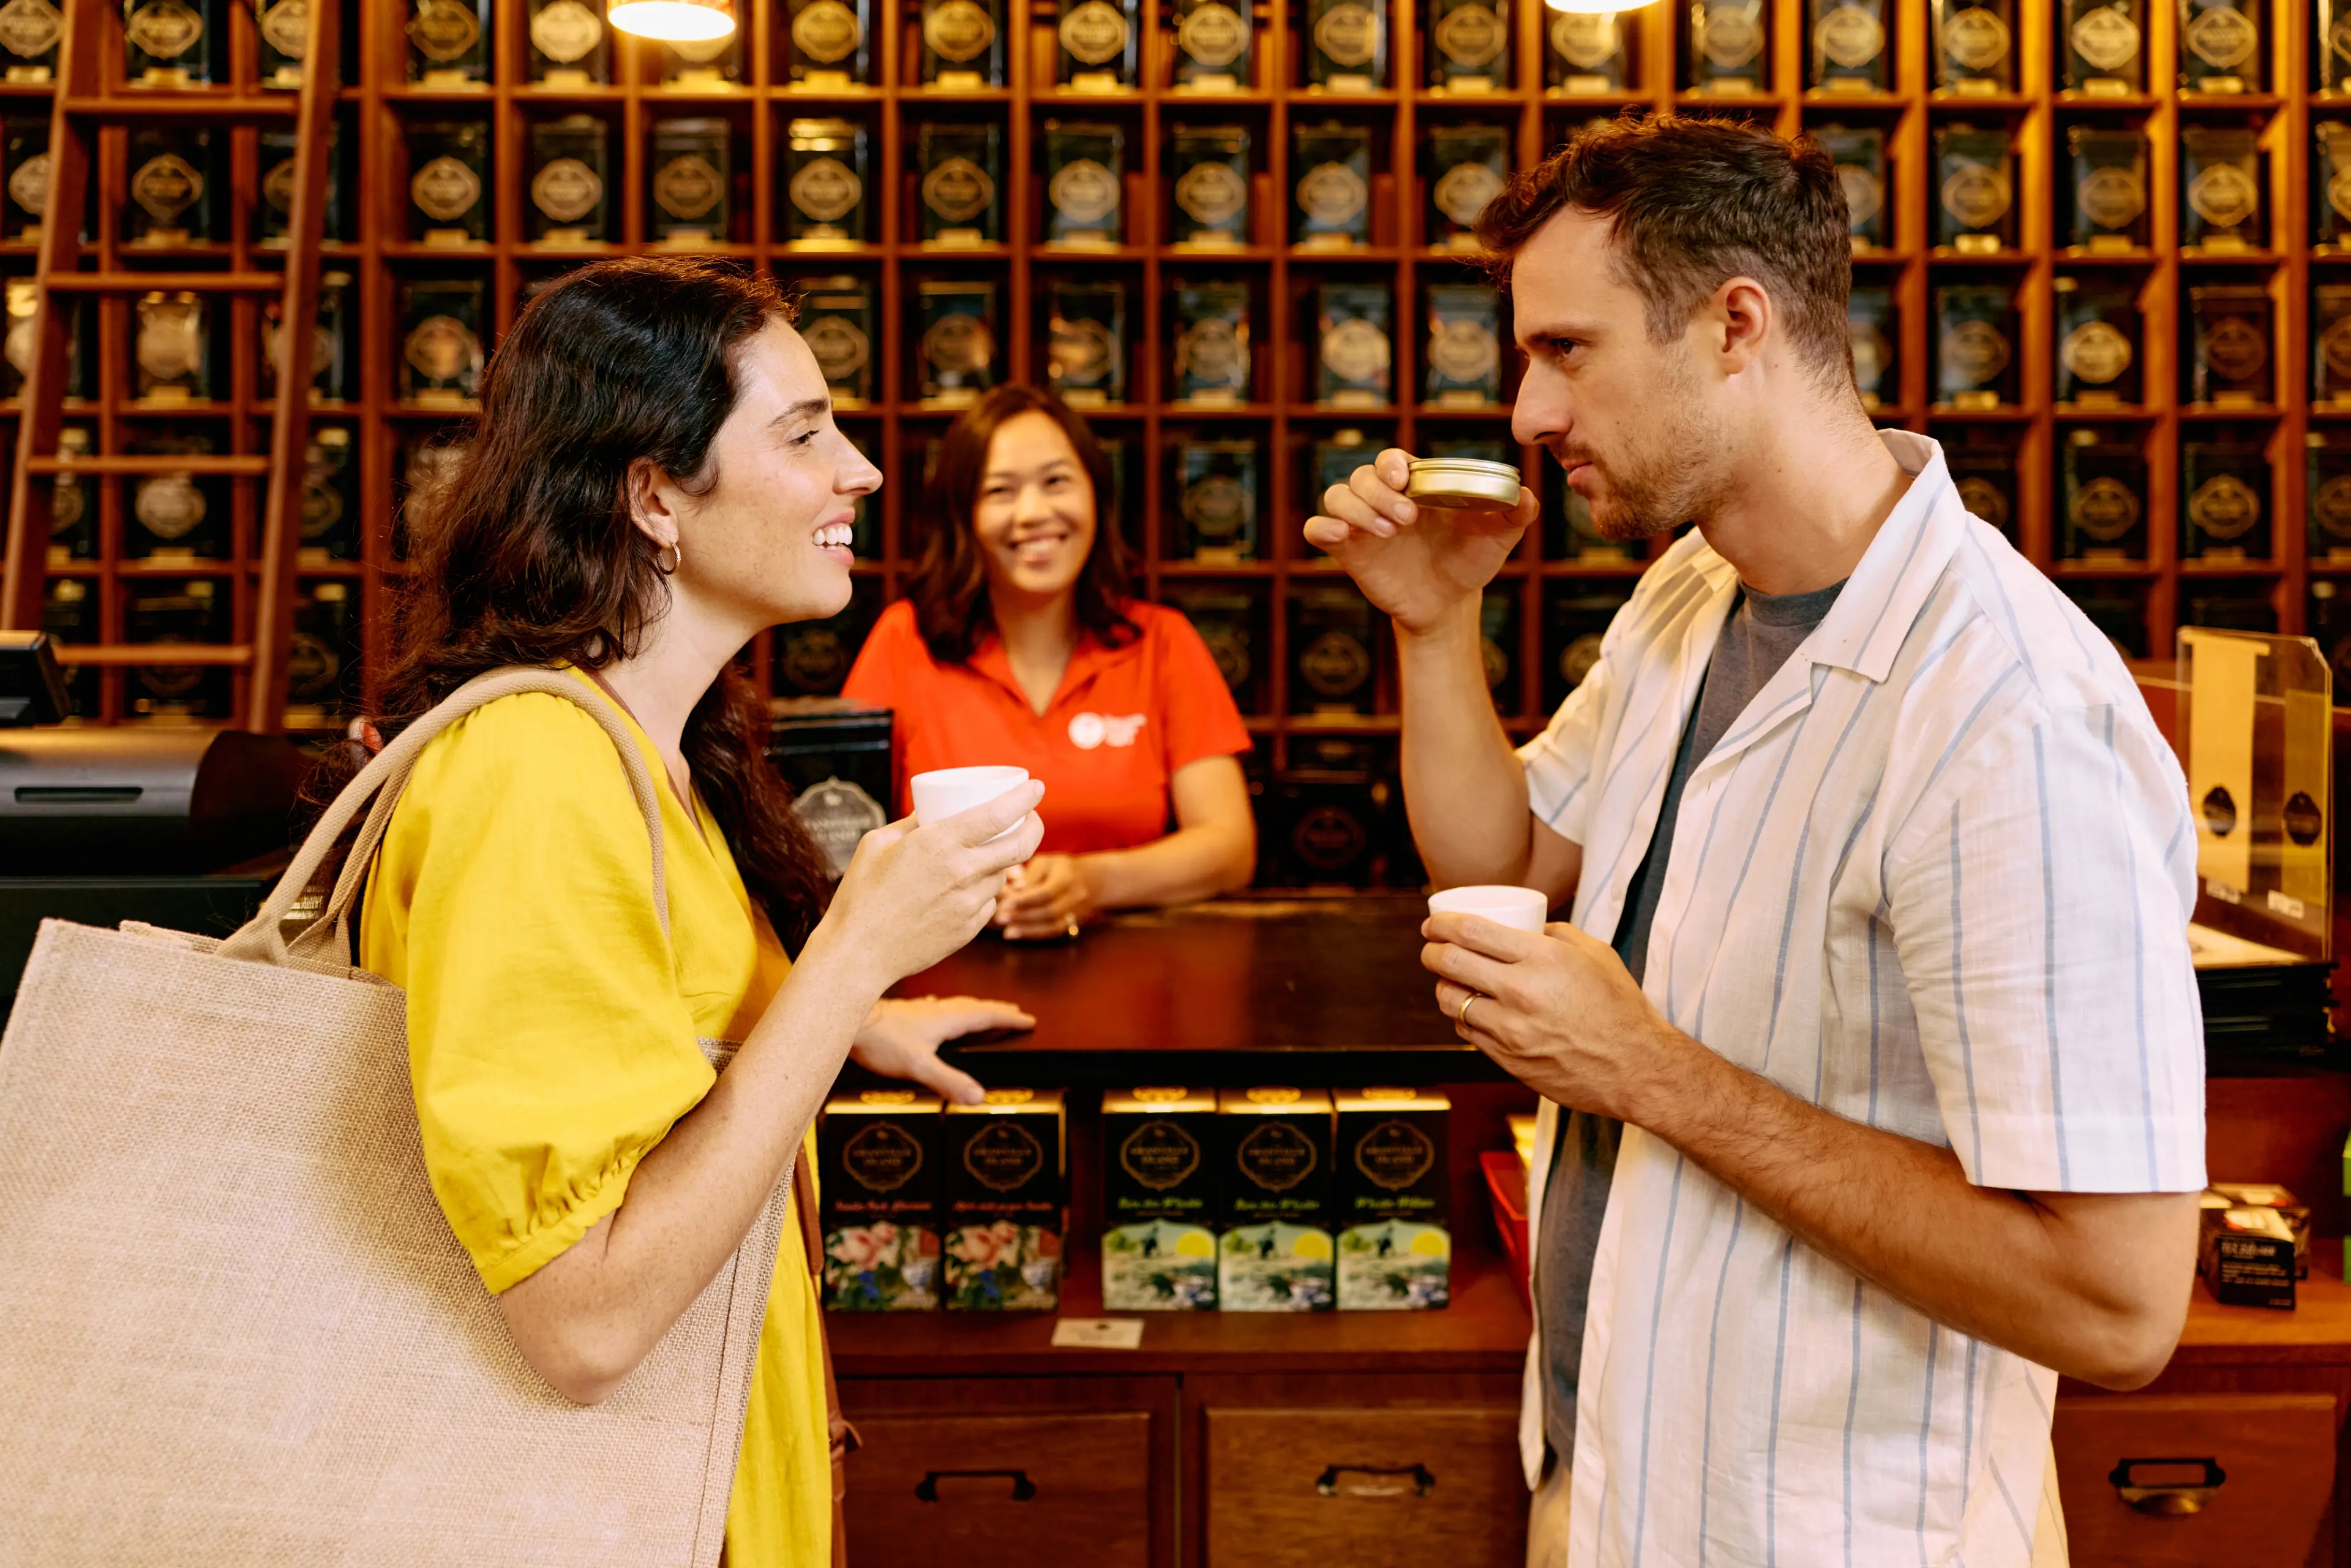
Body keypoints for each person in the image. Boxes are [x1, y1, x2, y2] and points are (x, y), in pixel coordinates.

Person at [1305, 117, 2203, 1568]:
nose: (1525, 409)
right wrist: (1431, 621)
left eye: (1566, 349)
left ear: (1734, 324)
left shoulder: (2004, 711)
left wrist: (1652, 1070)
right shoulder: (1690, 592)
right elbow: (1515, 862)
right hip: (1609, 1485)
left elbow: (2114, 1303)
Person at [351, 257, 1044, 1568]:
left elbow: (641, 1041)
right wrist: (849, 958)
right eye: (805, 432)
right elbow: (587, 1319)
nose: (864, 471)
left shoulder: (648, 750)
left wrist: (842, 1017)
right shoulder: (536, 778)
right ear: (655, 494)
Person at [842, 385, 1256, 940]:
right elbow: (846, 838)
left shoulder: (1162, 641)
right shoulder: (903, 639)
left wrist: (1093, 882)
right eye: (1000, 490)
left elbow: (1230, 846)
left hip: (1137, 984)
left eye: (1056, 482)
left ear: (1095, 495)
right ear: (964, 514)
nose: (1034, 513)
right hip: (939, 979)